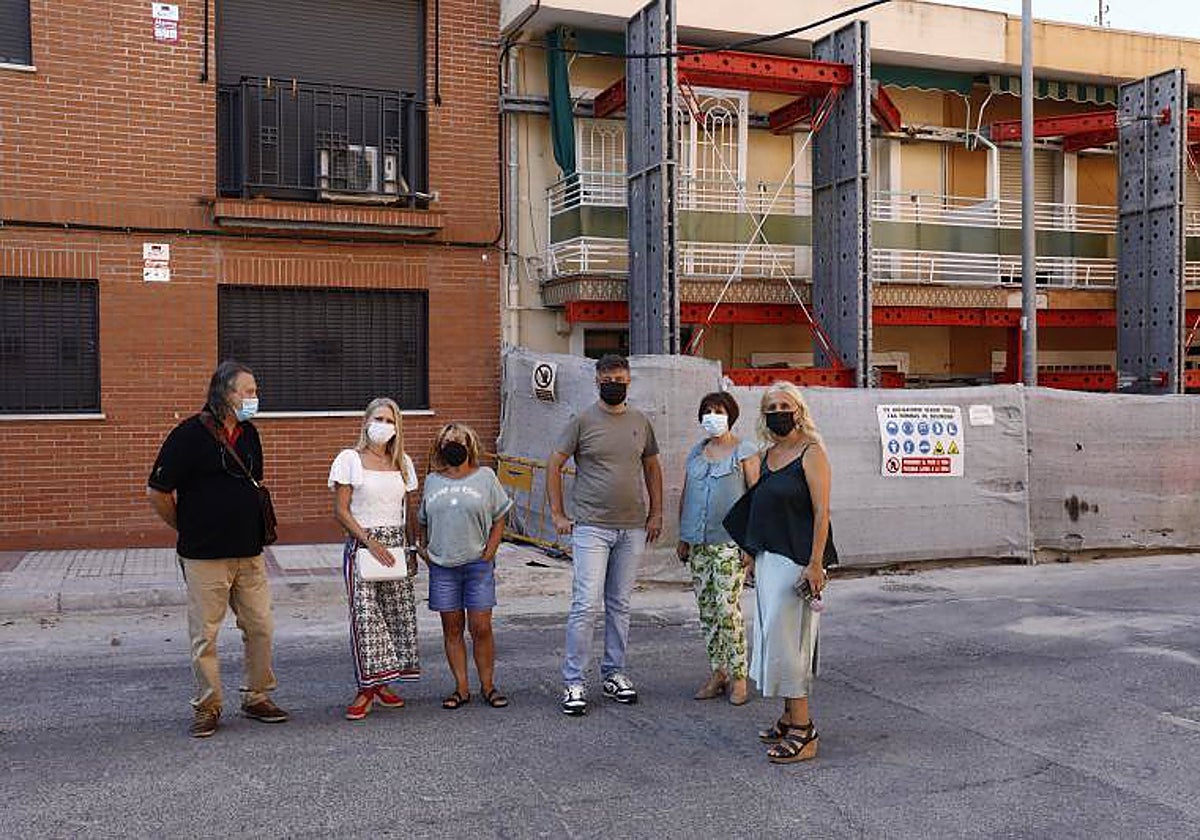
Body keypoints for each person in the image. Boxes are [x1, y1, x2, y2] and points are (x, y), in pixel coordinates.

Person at [147, 360, 289, 738]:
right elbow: (157, 492)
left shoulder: (250, 434)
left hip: (249, 552)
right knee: (205, 636)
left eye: (255, 391)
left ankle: (257, 696)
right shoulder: (188, 436)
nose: (254, 398)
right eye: (249, 391)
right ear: (225, 394)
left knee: (261, 627)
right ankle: (208, 706)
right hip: (204, 556)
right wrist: (187, 526)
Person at [547, 354, 663, 716]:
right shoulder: (582, 421)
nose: (615, 382)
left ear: (629, 380)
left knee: (620, 605)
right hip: (592, 527)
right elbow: (554, 464)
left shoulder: (640, 422)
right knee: (585, 604)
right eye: (608, 377)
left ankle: (614, 673)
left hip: (631, 528)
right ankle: (574, 681)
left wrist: (657, 512)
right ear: (597, 381)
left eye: (620, 378)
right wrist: (558, 514)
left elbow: (652, 466)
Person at [735, 381, 835, 764]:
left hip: (797, 560)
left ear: (799, 410)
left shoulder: (812, 453)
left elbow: (822, 512)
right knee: (771, 638)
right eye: (771, 406)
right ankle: (788, 716)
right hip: (768, 560)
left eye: (784, 404)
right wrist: (750, 552)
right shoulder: (766, 456)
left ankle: (804, 730)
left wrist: (815, 563)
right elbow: (762, 508)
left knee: (789, 642)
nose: (778, 411)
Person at [329, 397, 421, 721]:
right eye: (377, 418)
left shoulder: (403, 463)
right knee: (366, 617)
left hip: (396, 546)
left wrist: (412, 548)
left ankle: (382, 685)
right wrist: (368, 541)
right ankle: (366, 688)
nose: (383, 425)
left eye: (389, 420)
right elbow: (340, 510)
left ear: (397, 427)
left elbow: (407, 510)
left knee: (395, 616)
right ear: (366, 421)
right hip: (364, 544)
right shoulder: (349, 459)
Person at [417, 423, 513, 710]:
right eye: (447, 440)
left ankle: (488, 686)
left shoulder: (486, 477)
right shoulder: (432, 480)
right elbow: (422, 519)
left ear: (469, 444)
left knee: (481, 627)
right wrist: (424, 550)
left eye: (458, 439)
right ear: (440, 446)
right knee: (452, 628)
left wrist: (490, 550)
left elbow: (500, 517)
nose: (453, 444)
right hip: (443, 568)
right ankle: (461, 688)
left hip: (477, 566)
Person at [677, 391, 760, 706]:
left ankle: (739, 677)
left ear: (731, 416)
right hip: (699, 543)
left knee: (728, 611)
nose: (712, 416)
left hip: (730, 544)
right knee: (707, 611)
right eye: (707, 411)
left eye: (719, 411)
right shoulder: (697, 453)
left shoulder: (744, 451)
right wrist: (683, 537)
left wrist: (750, 545)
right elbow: (688, 494)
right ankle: (718, 671)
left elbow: (755, 497)